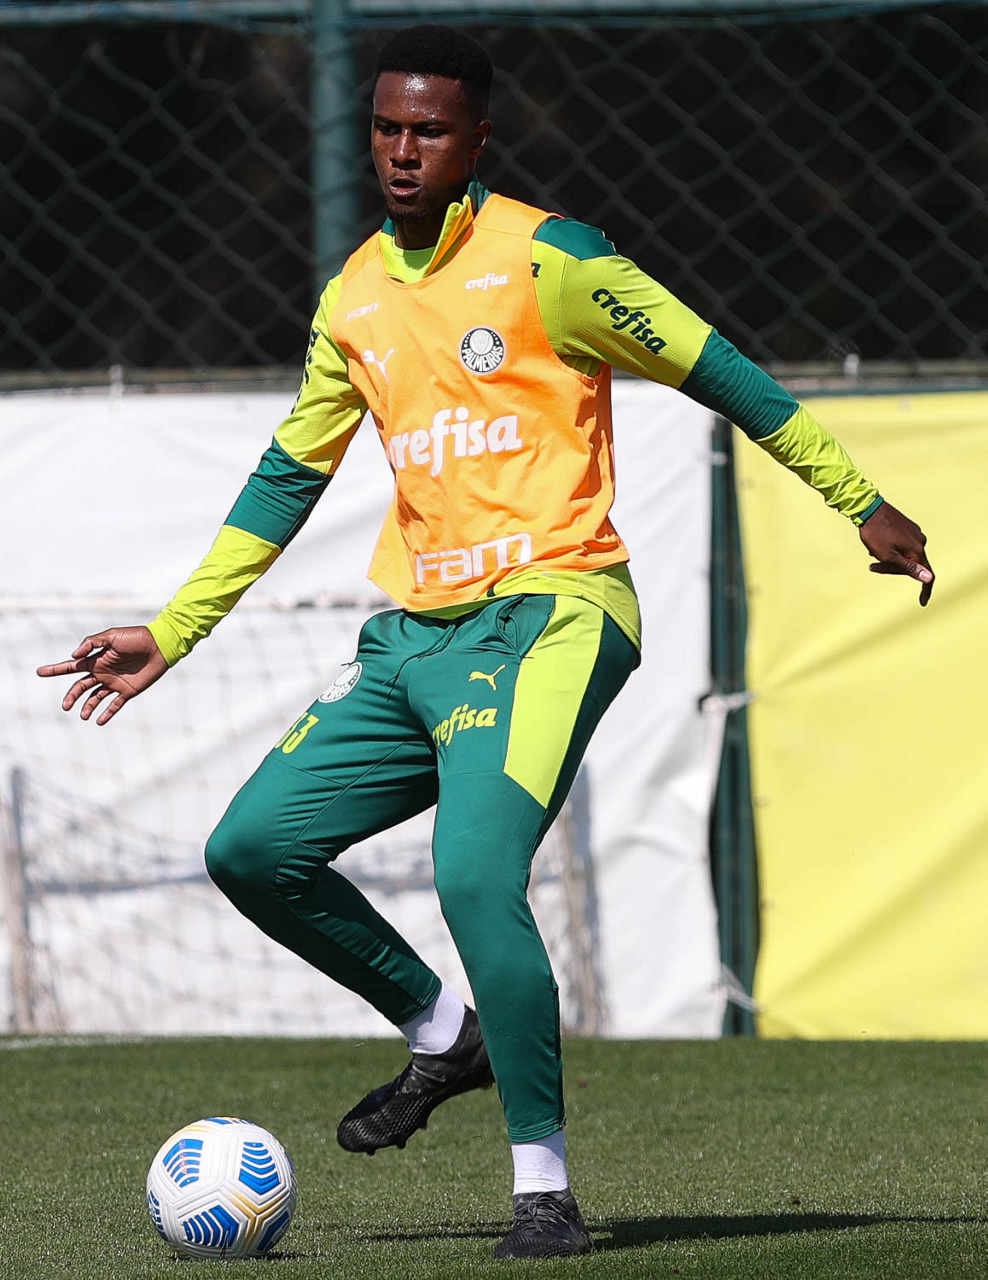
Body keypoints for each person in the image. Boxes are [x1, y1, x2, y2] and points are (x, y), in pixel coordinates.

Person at [38, 24, 934, 1260]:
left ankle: (542, 1188)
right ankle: (440, 1032)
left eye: (430, 131)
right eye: (386, 128)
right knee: (251, 848)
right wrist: (174, 632)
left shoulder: (553, 260)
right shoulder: (353, 295)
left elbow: (716, 366)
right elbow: (286, 476)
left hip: (553, 611)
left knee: (471, 873)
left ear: (476, 141)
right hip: (413, 639)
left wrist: (856, 499)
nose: (402, 152)